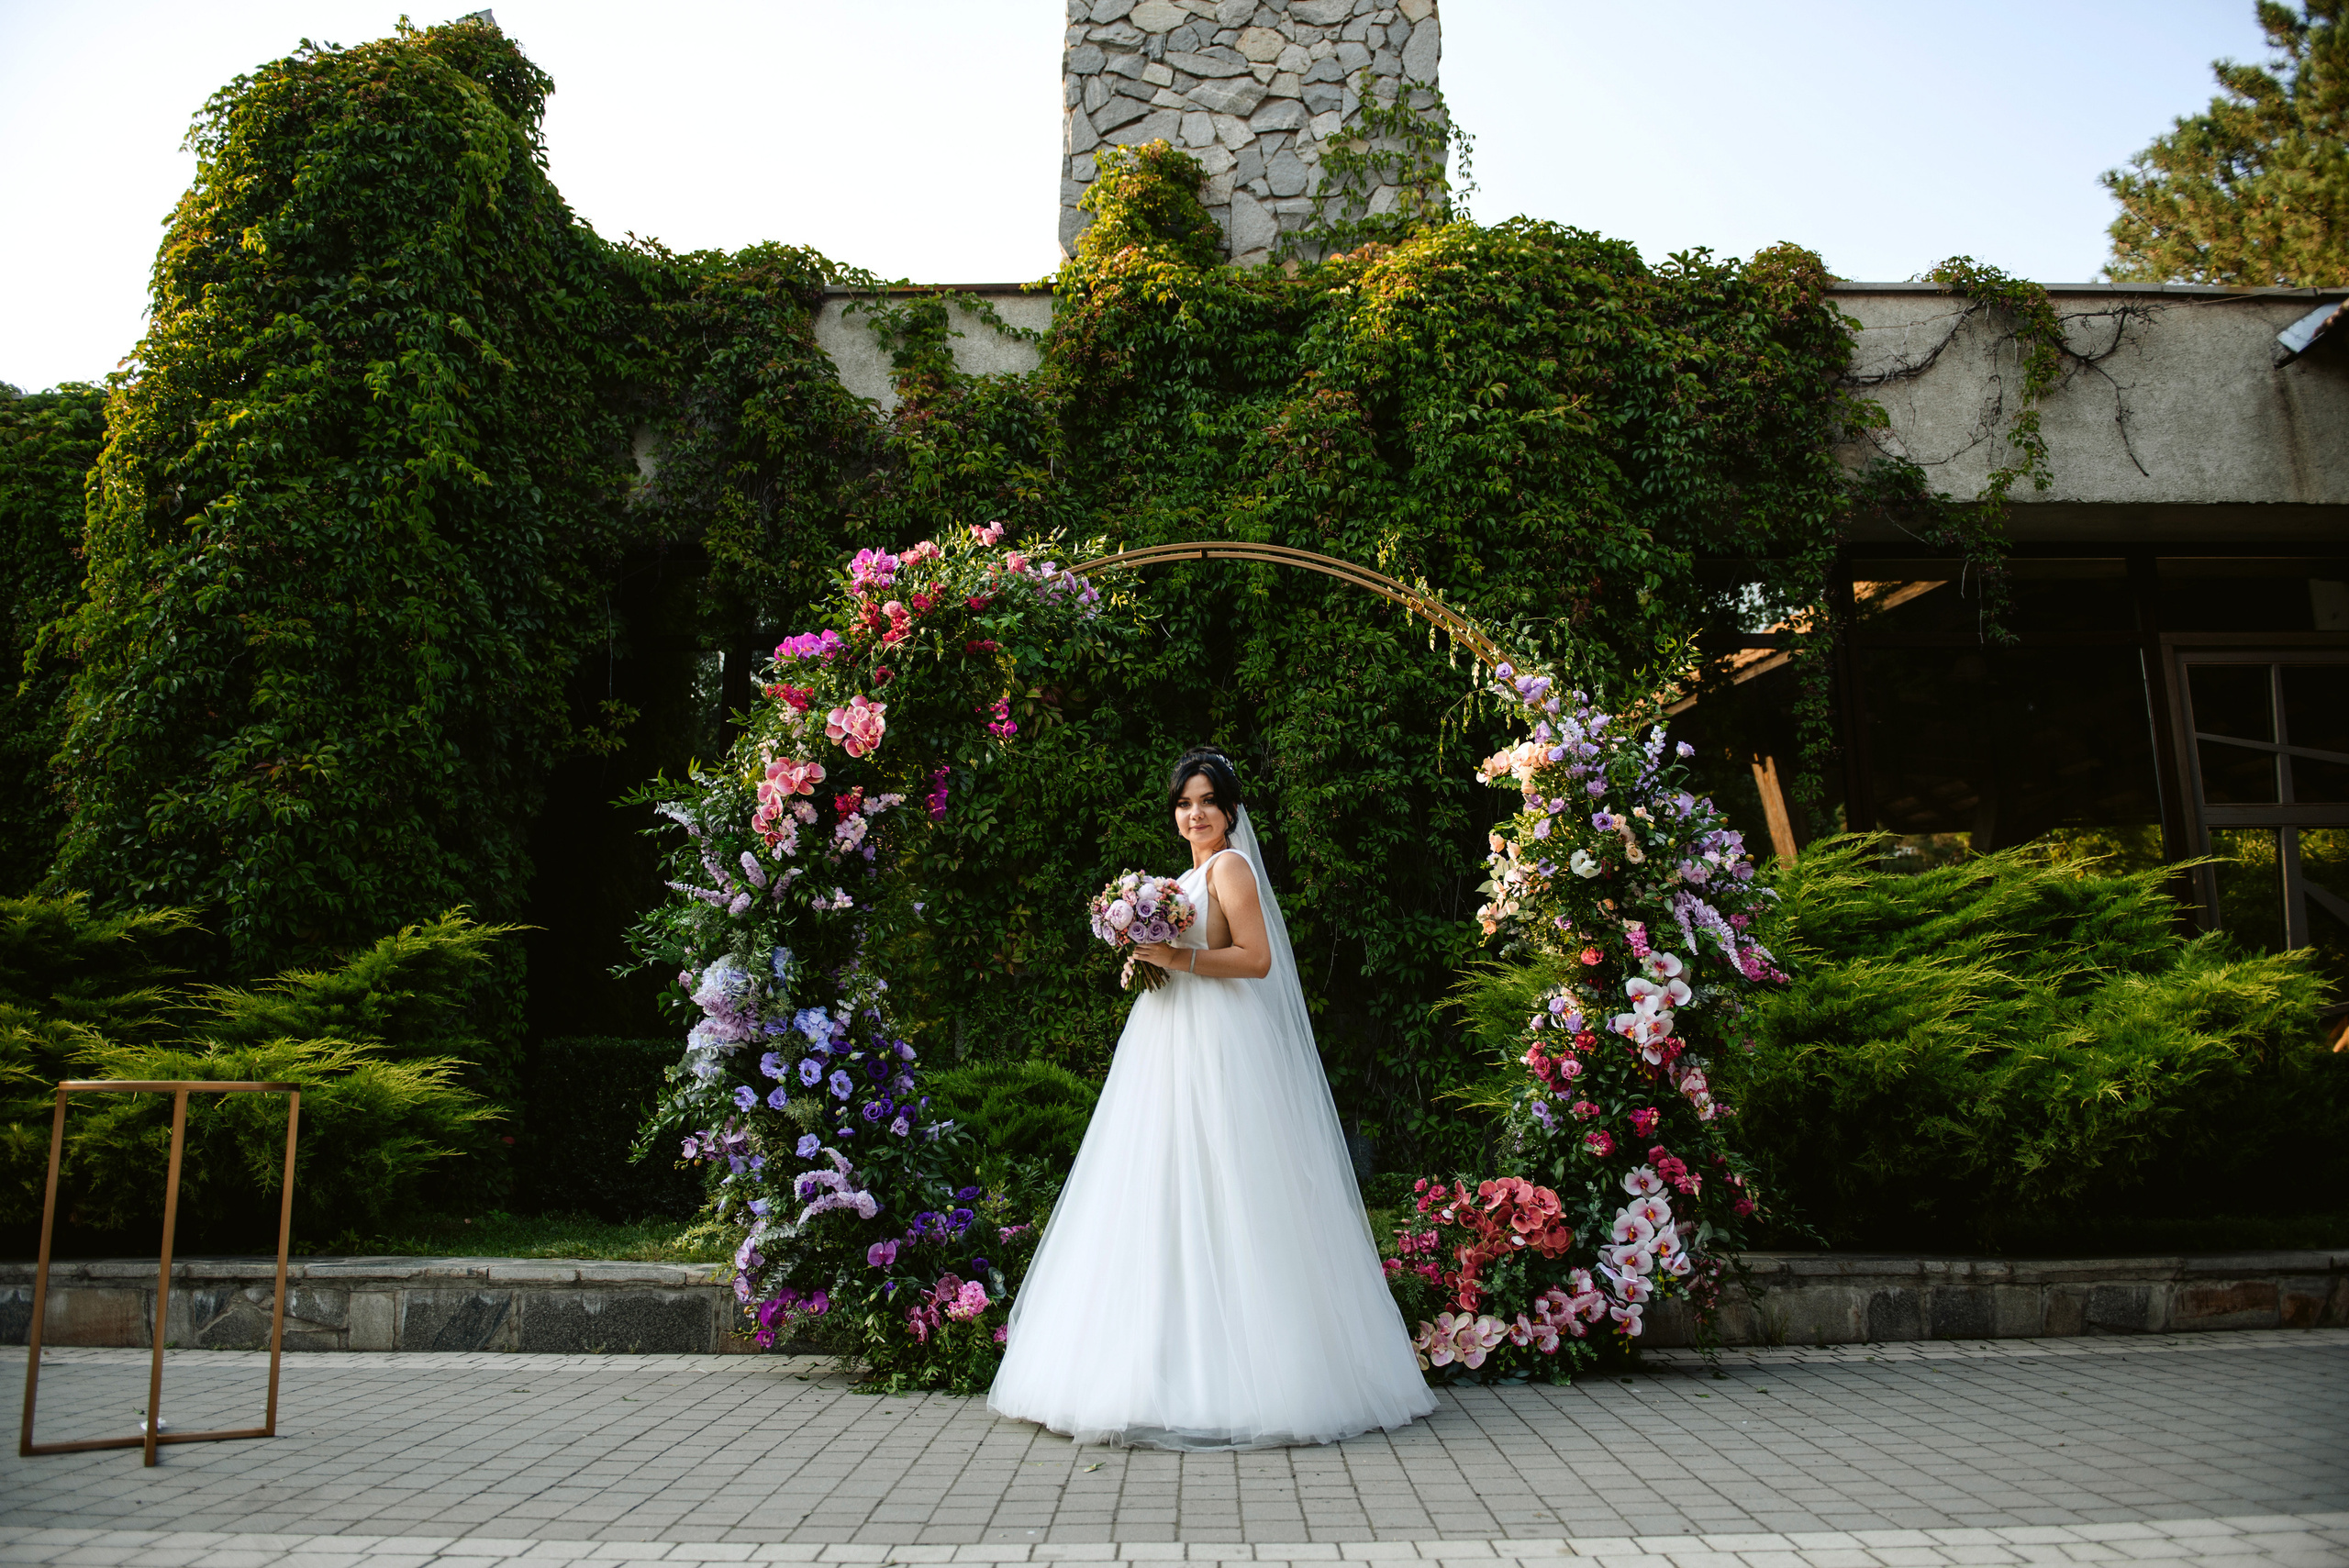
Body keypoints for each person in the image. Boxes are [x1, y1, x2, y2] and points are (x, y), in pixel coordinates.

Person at [987, 748, 1437, 1449]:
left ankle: (1247, 1377)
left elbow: (1255, 959)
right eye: (1183, 801)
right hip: (1167, 1042)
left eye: (1206, 800)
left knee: (1230, 1190)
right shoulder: (1180, 879)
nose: (1193, 812)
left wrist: (1176, 957)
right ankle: (1158, 1366)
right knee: (1160, 1191)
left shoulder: (1229, 867)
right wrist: (1141, 948)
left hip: (1221, 1043)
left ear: (1229, 809)